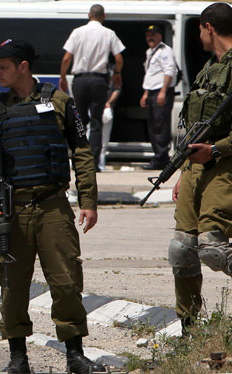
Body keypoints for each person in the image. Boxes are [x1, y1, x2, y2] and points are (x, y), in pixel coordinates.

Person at [0, 39, 104, 374]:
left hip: (53, 207)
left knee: (66, 281)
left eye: (3, 66)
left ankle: (75, 356)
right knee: (12, 285)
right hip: (12, 211)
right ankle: (18, 358)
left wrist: (88, 201)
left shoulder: (60, 101)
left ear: (24, 66)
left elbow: (81, 151)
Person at [167, 2, 232, 334]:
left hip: (225, 164)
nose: (199, 36)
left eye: (199, 30)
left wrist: (216, 151)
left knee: (213, 248)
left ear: (209, 27)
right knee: (182, 250)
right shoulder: (209, 68)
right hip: (195, 168)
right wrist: (182, 170)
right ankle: (189, 329)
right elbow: (195, 126)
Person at [59, 4, 125, 171]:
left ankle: (78, 160)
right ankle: (93, 162)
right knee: (96, 122)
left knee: (79, 121)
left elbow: (67, 58)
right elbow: (119, 58)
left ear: (89, 15)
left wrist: (62, 77)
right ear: (103, 16)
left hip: (80, 80)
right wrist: (117, 73)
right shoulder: (109, 33)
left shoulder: (77, 32)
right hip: (99, 81)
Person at [140, 25, 178, 170]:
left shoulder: (165, 51)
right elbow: (151, 74)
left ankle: (161, 158)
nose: (150, 37)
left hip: (162, 92)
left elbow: (169, 71)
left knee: (160, 126)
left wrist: (163, 91)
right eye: (148, 34)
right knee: (153, 126)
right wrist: (146, 93)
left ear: (160, 36)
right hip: (153, 91)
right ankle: (159, 156)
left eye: (153, 34)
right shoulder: (150, 52)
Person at [99, 66, 121, 171]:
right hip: (95, 107)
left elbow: (117, 89)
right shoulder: (93, 72)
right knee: (90, 135)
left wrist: (108, 102)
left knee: (104, 139)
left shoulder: (114, 71)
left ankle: (100, 163)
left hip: (106, 108)